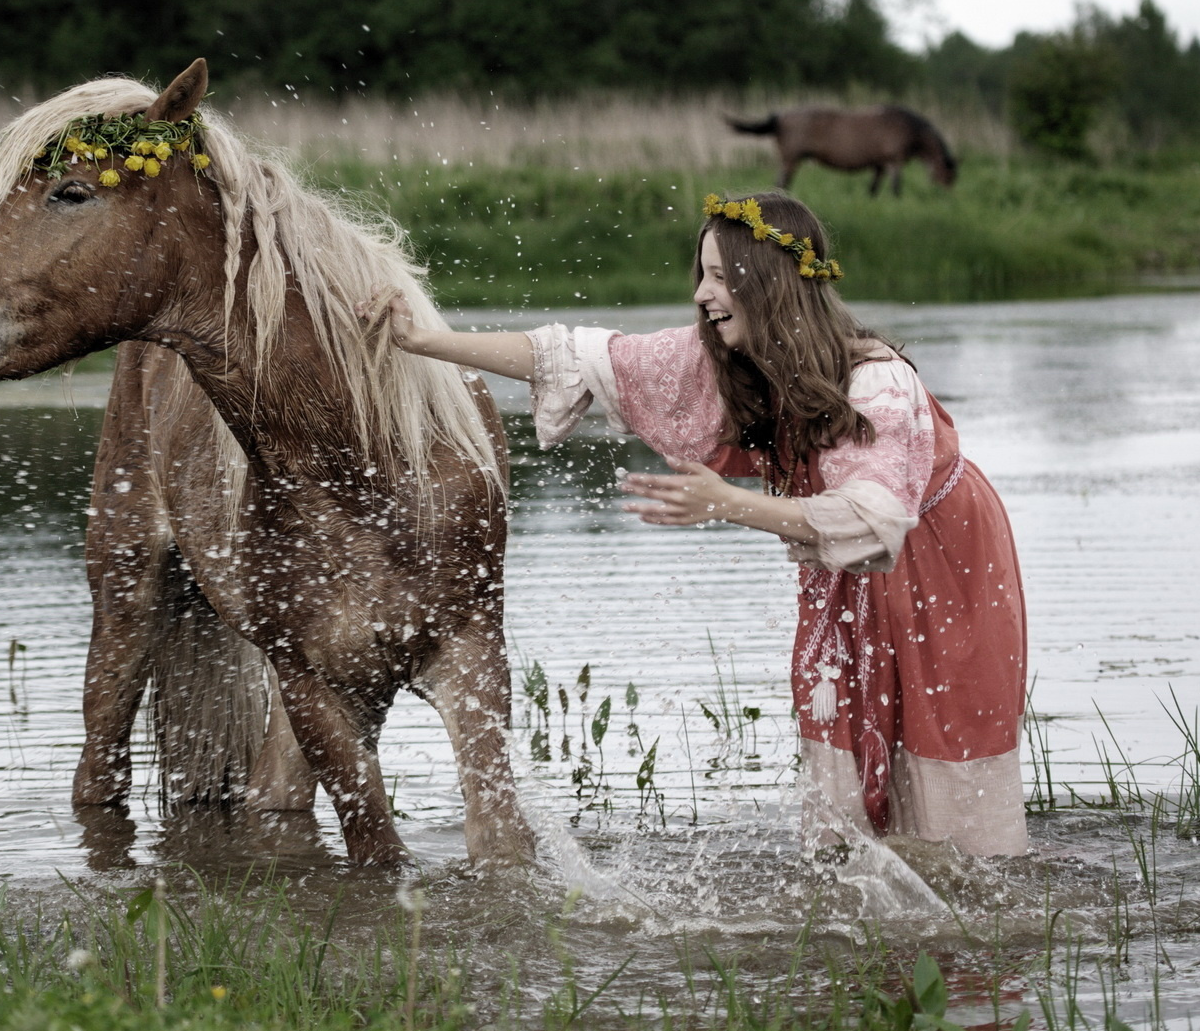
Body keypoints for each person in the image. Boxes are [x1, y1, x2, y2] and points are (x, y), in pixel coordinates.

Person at [364, 191, 1029, 857]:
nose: (703, 296)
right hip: (840, 562)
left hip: (942, 554)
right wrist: (420, 340)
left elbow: (874, 523)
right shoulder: (722, 356)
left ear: (767, 285)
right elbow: (570, 355)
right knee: (838, 723)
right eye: (701, 275)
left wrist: (726, 503)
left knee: (942, 739)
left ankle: (967, 889)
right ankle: (859, 878)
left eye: (720, 277)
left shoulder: (877, 383)